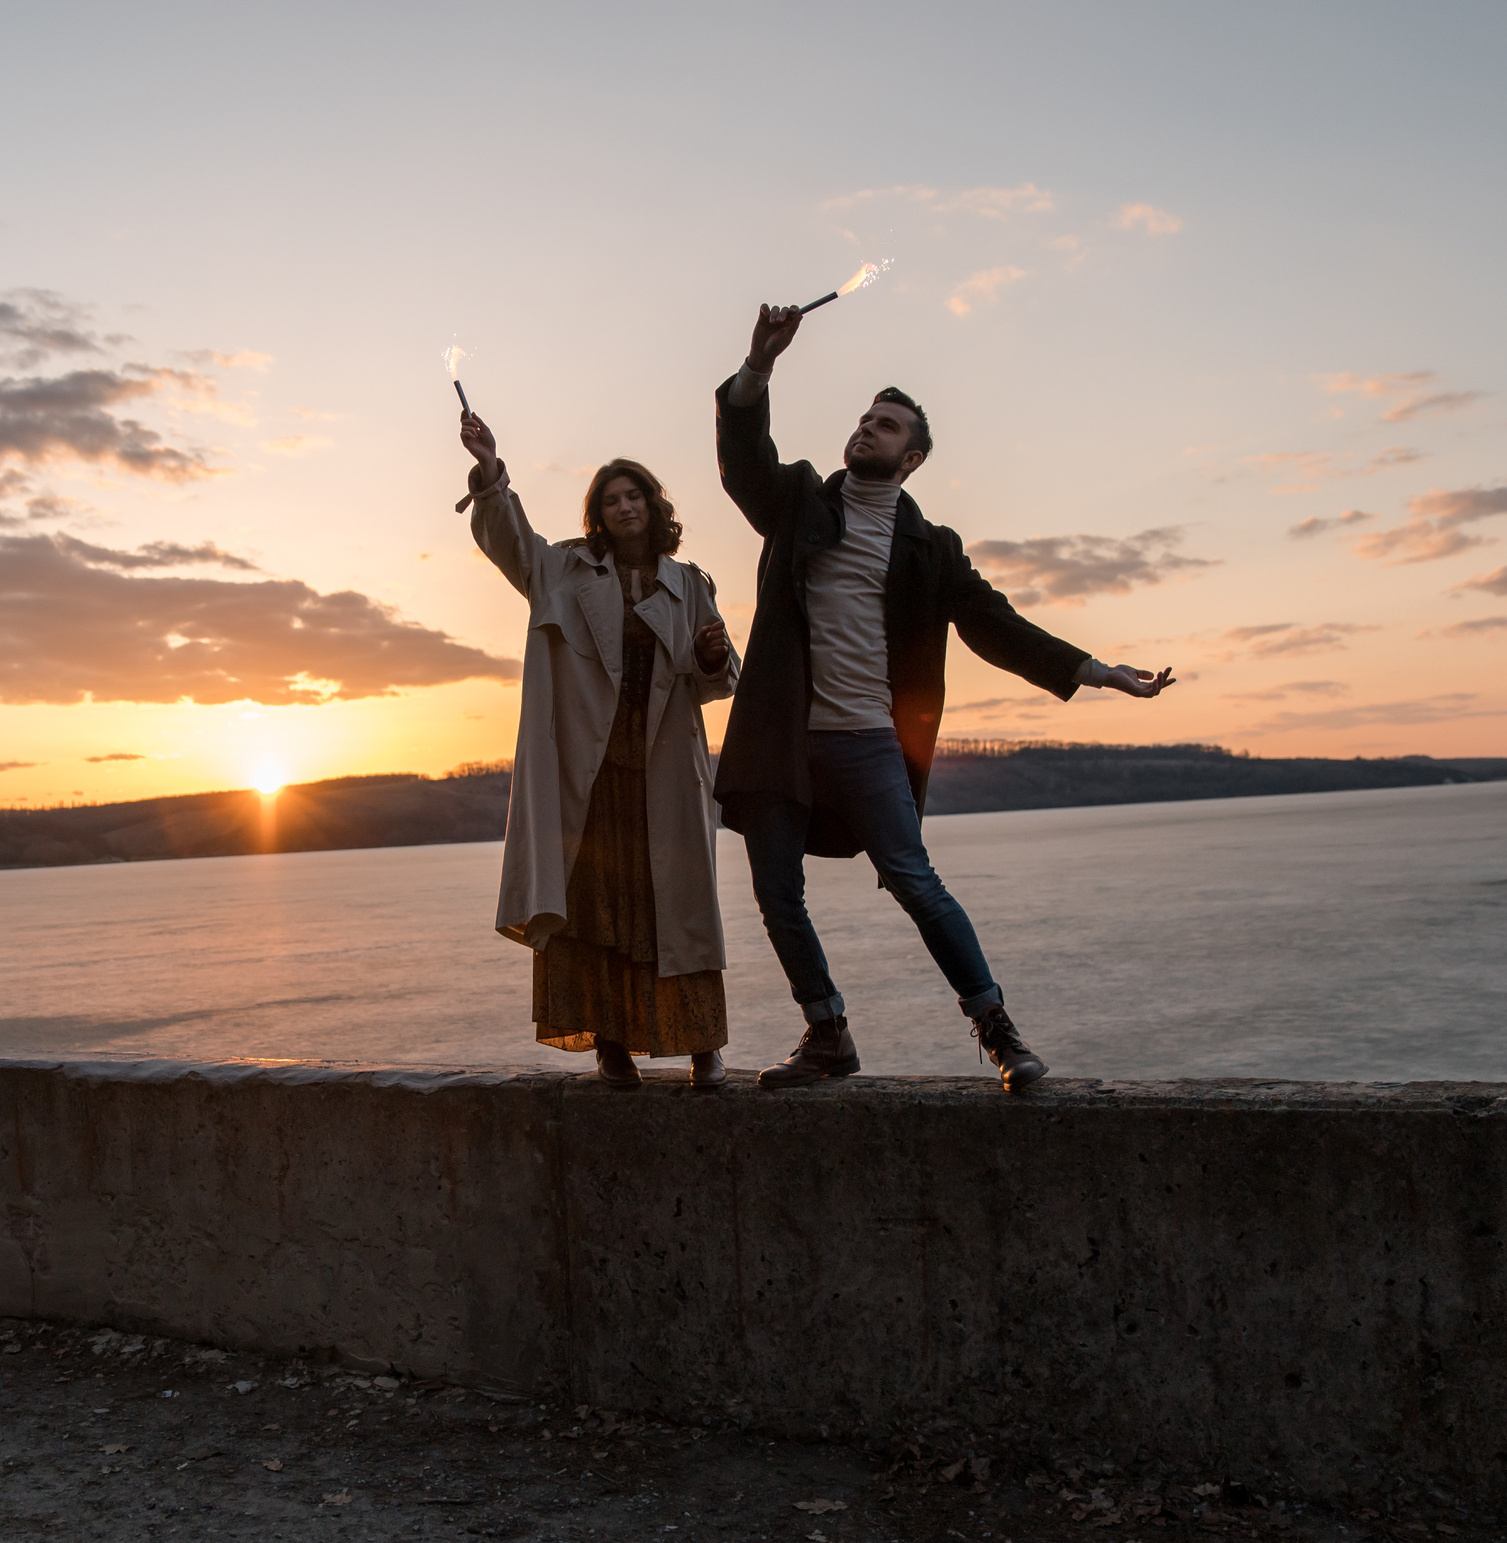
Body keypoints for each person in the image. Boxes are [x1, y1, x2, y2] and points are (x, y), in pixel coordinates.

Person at [712, 303, 1176, 1092]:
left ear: (913, 457)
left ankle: (997, 1030)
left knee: (914, 880)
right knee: (775, 895)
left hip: (867, 743)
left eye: (887, 425)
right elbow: (742, 461)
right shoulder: (797, 503)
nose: (868, 429)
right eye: (865, 418)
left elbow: (997, 626)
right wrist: (759, 365)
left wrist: (1097, 671)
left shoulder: (933, 548)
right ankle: (827, 1033)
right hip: (781, 741)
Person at [460, 409, 742, 1087]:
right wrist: (492, 471)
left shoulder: (691, 583)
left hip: (664, 777)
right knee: (594, 910)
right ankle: (609, 1047)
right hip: (586, 778)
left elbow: (719, 680)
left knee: (675, 909)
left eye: (634, 495)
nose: (623, 507)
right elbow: (510, 542)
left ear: (653, 506)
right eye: (611, 500)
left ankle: (704, 1047)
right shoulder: (562, 570)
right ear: (599, 515)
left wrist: (712, 653)